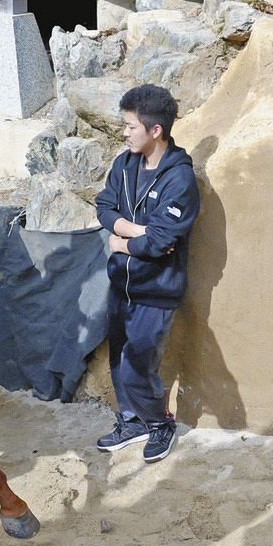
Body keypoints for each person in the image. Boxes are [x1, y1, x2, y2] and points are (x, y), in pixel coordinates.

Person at [93, 84, 200, 463]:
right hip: (120, 284)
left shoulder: (179, 179)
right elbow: (103, 206)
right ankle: (131, 420)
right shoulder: (124, 164)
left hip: (156, 289)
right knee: (119, 359)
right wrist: (133, 229)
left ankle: (159, 424)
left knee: (138, 364)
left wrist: (121, 241)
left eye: (130, 126)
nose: (124, 132)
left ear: (156, 130)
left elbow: (160, 244)